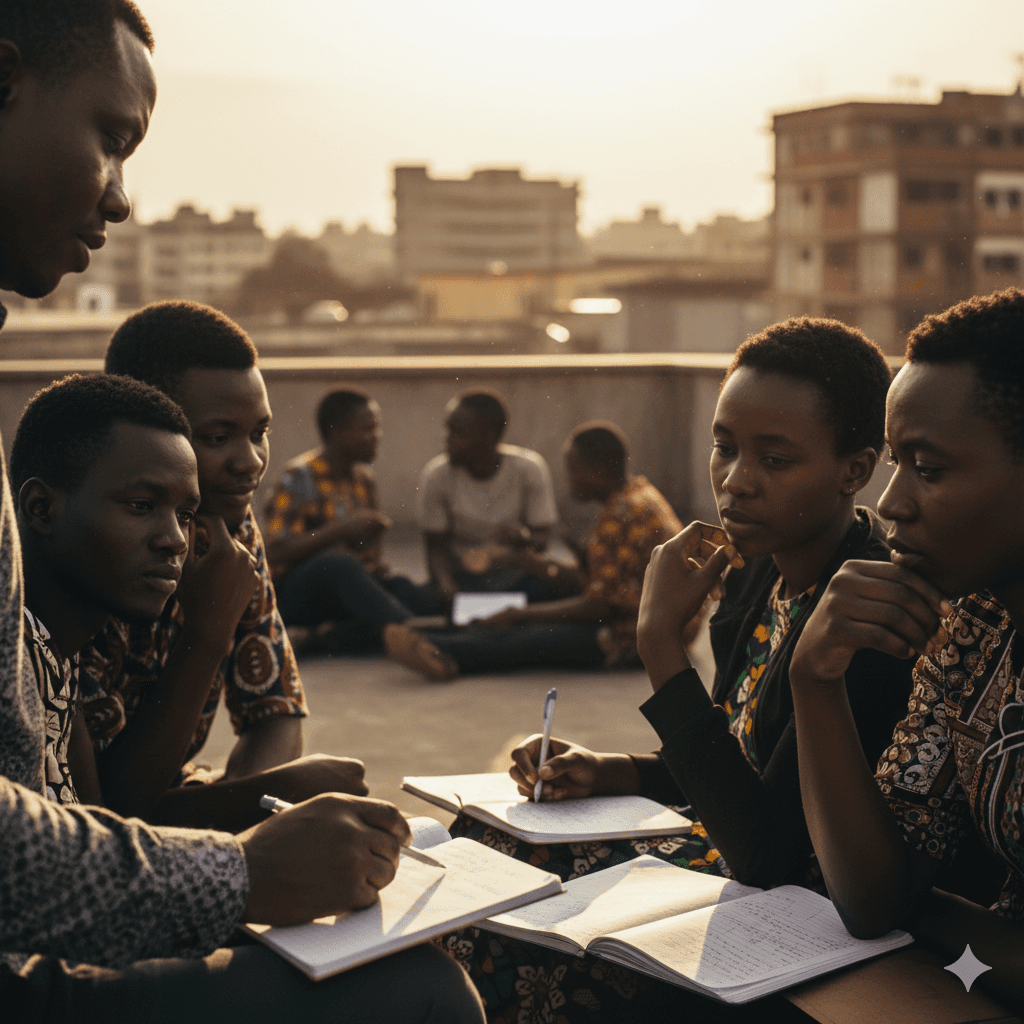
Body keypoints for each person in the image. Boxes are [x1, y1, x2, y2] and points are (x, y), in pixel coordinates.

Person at [0, 4, 484, 1021]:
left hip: (70, 904)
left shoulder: (234, 548)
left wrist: (256, 816)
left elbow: (265, 719)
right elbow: (87, 813)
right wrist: (238, 868)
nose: (123, 200)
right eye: (110, 139)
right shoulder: (69, 595)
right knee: (416, 996)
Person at [440, 318, 914, 1021]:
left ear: (856, 468)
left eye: (774, 460)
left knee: (498, 943)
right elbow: (733, 755)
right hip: (716, 848)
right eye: (723, 448)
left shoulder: (863, 618)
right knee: (479, 846)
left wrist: (660, 645)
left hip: (782, 912)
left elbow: (764, 849)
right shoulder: (759, 573)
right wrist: (613, 771)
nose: (734, 482)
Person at [789, 288, 1024, 1010]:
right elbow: (871, 898)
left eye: (928, 468)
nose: (889, 504)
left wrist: (927, 915)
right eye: (895, 463)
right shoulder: (973, 629)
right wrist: (813, 679)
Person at [75, 301, 372, 830]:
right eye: (217, 438)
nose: (251, 460)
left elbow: (276, 711)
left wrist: (249, 803)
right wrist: (208, 633)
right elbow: (104, 819)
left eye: (259, 432)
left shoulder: (227, 527)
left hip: (165, 809)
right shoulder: (85, 560)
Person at [13, 374, 198, 807]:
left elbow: (92, 829)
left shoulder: (54, 652)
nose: (176, 539)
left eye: (186, 514)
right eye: (141, 506)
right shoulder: (13, 658)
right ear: (41, 508)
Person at [392, 422, 681, 678]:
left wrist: (521, 614)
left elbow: (598, 607)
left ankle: (444, 648)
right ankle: (449, 626)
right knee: (535, 587)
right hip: (641, 617)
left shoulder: (620, 515)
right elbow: (599, 583)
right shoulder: (635, 496)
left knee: (532, 638)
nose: (569, 481)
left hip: (631, 636)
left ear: (598, 470)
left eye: (573, 470)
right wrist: (533, 564)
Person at [265, 387, 443, 672]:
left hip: (344, 593)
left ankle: (321, 637)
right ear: (336, 432)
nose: (377, 438)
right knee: (337, 564)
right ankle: (419, 635)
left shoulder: (363, 479)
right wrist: (342, 530)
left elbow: (361, 559)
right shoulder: (299, 476)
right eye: (367, 430)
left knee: (406, 590)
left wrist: (372, 562)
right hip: (295, 594)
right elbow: (274, 552)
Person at [418, 389, 560, 608]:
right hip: (462, 578)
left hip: (516, 576)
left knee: (558, 590)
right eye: (447, 430)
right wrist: (446, 586)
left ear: (489, 437)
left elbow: (543, 537)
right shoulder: (436, 475)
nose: (447, 439)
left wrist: (524, 538)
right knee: (416, 597)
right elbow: (436, 548)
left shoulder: (529, 469)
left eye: (458, 433)